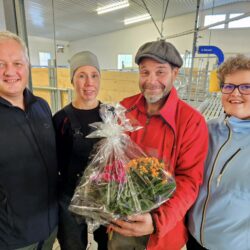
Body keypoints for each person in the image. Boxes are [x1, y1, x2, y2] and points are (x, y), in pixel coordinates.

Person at [108, 40, 209, 250]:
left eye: (160, 72)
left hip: (163, 234)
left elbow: (189, 182)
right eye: (145, 72)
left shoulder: (191, 121)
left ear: (175, 73)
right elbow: (112, 161)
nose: (151, 81)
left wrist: (156, 222)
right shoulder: (125, 108)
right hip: (122, 223)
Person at [0, 31, 58, 250]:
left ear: (28, 66)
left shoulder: (41, 106)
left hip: (50, 227)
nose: (10, 72)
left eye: (17, 63)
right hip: (12, 238)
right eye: (1, 64)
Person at [187, 54, 250, 250]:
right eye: (229, 86)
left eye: (246, 87)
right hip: (193, 239)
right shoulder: (207, 130)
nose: (235, 93)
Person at [53, 51, 108, 250]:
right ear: (72, 80)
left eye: (94, 75)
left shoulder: (110, 115)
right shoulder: (61, 119)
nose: (89, 83)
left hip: (105, 193)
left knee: (108, 243)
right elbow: (53, 162)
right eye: (81, 76)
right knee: (72, 244)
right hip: (70, 195)